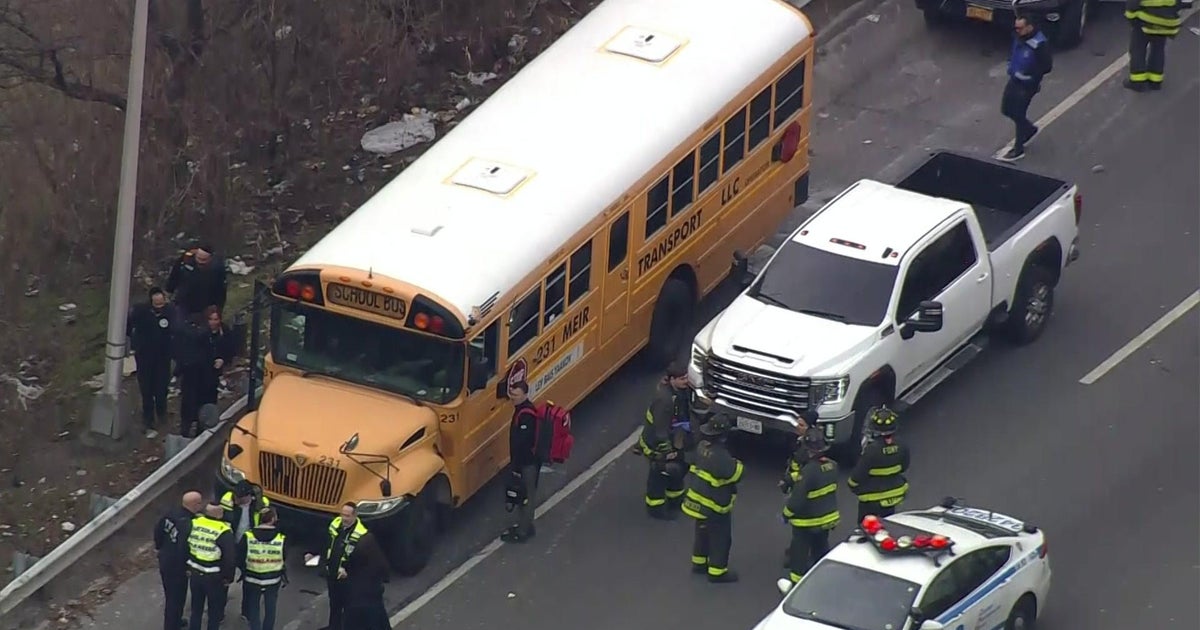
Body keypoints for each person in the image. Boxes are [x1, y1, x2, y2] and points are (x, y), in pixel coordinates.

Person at [680, 415, 743, 584]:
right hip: (714, 506)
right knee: (721, 538)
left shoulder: (701, 447)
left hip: (697, 501)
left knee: (702, 532)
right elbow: (736, 474)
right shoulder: (721, 456)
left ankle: (699, 563)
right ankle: (717, 572)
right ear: (723, 436)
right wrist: (737, 463)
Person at [783, 428, 840, 584]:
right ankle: (824, 576)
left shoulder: (808, 471)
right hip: (827, 518)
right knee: (821, 547)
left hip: (807, 521)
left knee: (800, 549)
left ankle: (797, 582)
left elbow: (797, 499)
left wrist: (786, 514)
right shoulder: (833, 466)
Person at [639, 362, 692, 520]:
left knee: (676, 472)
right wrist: (667, 451)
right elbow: (659, 430)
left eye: (687, 377)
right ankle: (655, 508)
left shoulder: (680, 393)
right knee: (660, 474)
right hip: (657, 444)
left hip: (674, 439)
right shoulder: (664, 400)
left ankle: (675, 500)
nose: (686, 381)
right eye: (682, 379)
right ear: (672, 380)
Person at [997, 16, 1053, 163]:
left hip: (1027, 85)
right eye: (1016, 27)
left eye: (1020, 28)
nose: (1017, 30)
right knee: (1006, 109)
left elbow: (1047, 66)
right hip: (1014, 79)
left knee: (1018, 113)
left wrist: (1031, 75)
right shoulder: (1018, 36)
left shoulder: (1040, 44)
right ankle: (1029, 129)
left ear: (1030, 27)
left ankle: (1019, 148)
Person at [306, 503, 368, 630]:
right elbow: (325, 541)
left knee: (348, 606)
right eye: (343, 514)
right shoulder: (336, 525)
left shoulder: (362, 535)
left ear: (355, 516)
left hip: (348, 578)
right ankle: (334, 627)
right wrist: (313, 552)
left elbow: (362, 560)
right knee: (334, 604)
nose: (344, 518)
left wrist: (348, 570)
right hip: (333, 573)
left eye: (347, 516)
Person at [176, 306, 235, 437]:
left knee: (207, 401)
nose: (214, 322)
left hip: (211, 375)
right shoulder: (199, 334)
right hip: (194, 374)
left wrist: (222, 359)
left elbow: (229, 349)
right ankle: (186, 428)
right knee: (190, 402)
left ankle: (203, 428)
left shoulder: (224, 332)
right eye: (211, 319)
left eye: (216, 319)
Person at [128, 287, 176, 437]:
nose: (160, 307)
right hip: (145, 356)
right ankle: (148, 418)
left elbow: (176, 327)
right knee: (146, 389)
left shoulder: (170, 311)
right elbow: (128, 326)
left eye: (162, 303)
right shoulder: (141, 312)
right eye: (157, 304)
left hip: (163, 356)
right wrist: (136, 342)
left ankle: (161, 412)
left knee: (162, 387)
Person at [848, 406, 910, 521]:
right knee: (888, 525)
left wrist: (852, 485)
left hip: (872, 499)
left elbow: (858, 475)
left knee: (866, 529)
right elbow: (904, 467)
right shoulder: (902, 445)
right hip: (894, 495)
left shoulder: (872, 450)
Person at [502, 381, 546, 542]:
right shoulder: (522, 410)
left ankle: (523, 532)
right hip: (527, 462)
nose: (513, 398)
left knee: (526, 496)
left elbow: (523, 442)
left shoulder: (526, 414)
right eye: (512, 394)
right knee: (525, 494)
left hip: (527, 463)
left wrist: (516, 465)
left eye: (516, 395)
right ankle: (525, 525)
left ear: (525, 394)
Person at [155, 490, 203, 630]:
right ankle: (171, 625)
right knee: (175, 599)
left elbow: (158, 529)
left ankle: (176, 620)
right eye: (199, 503)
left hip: (164, 559)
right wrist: (187, 567)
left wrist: (159, 546)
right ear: (195, 505)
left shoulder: (171, 513)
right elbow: (184, 548)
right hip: (176, 567)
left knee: (171, 595)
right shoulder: (187, 524)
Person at [186, 503, 236, 630]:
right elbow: (229, 558)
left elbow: (185, 544)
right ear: (220, 514)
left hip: (195, 572)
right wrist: (228, 578)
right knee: (214, 612)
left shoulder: (194, 523)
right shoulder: (223, 530)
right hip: (214, 576)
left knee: (196, 609)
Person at [1124, 0, 1191, 91]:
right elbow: (1180, 3)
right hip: (1166, 22)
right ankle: (1155, 81)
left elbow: (1133, 4)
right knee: (1158, 49)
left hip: (1145, 20)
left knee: (1137, 49)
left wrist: (1131, 18)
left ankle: (1138, 82)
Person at [238, 507, 286, 630]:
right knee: (270, 608)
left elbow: (240, 557)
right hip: (273, 579)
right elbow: (284, 557)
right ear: (273, 519)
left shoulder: (248, 536)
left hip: (252, 578)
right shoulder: (281, 538)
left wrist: (245, 569)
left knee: (253, 607)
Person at [343, 531, 392, 630]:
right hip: (373, 605)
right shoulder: (377, 562)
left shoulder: (353, 564)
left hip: (354, 606)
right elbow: (386, 574)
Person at [166, 243, 228, 318]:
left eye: (204, 260)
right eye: (198, 258)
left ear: (210, 258)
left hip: (205, 303)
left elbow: (221, 290)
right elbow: (175, 275)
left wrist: (218, 307)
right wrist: (169, 291)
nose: (200, 262)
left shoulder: (217, 268)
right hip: (184, 301)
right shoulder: (186, 259)